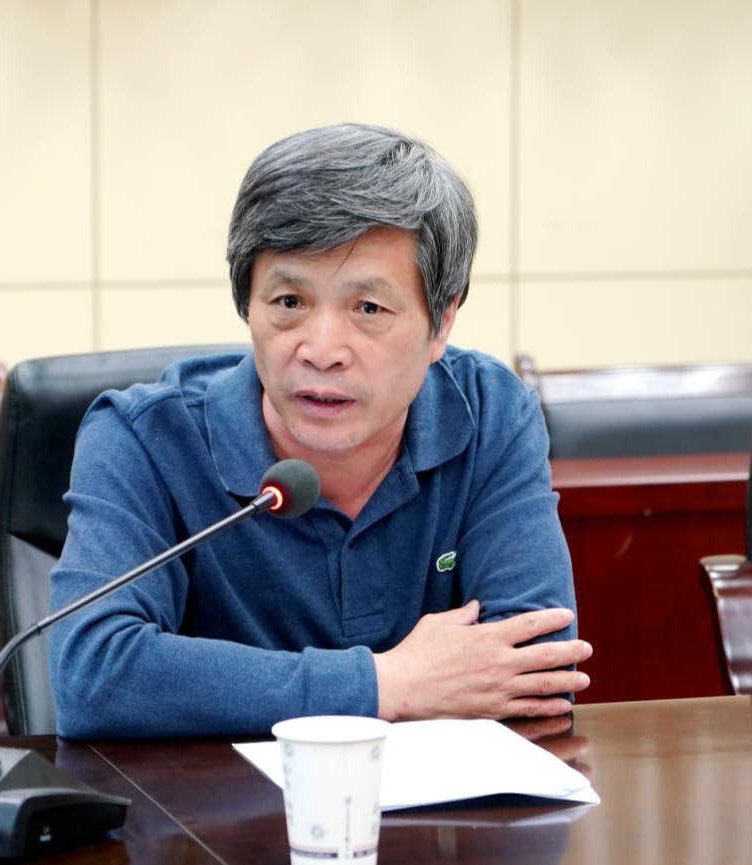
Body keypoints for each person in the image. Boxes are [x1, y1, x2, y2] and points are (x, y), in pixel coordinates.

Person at [49, 123, 592, 739]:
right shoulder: (144, 439)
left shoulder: (490, 413)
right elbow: (93, 675)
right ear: (247, 304)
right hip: (213, 802)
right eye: (289, 302)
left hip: (437, 802)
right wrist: (386, 683)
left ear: (441, 322)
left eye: (369, 309)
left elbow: (535, 673)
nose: (322, 350)